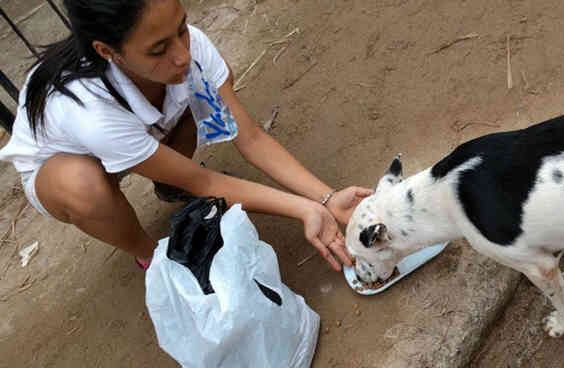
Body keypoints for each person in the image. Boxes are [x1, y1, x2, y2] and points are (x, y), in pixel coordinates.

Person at [0, 0, 371, 271]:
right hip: (66, 167)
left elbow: (251, 138)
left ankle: (169, 183)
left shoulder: (187, 49)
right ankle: (153, 258)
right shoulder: (87, 109)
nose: (182, 55)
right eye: (158, 49)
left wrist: (326, 198)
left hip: (136, 136)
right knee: (85, 187)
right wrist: (303, 209)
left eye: (181, 28)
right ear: (107, 51)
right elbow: (205, 181)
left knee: (213, 84)